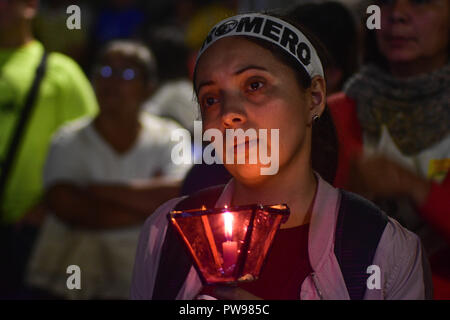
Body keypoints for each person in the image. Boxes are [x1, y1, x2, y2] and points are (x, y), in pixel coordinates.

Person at [131, 12, 432, 300]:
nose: (229, 114)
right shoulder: (169, 233)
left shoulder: (379, 247)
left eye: (255, 85)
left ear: (314, 97)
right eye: (211, 98)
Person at [25, 40, 191, 299]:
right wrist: (151, 210)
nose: (112, 81)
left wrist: (94, 191)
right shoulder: (67, 139)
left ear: (149, 88)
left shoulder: (171, 137)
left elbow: (179, 198)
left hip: (143, 281)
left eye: (126, 74)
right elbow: (67, 207)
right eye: (104, 71)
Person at [328, 0, 449, 299]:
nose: (397, 14)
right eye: (384, 2)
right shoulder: (333, 116)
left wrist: (416, 187)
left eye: (422, 3)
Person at [0, 0, 97, 297]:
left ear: (30, 5)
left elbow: (90, 147)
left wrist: (48, 208)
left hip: (29, 234)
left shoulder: (61, 71)